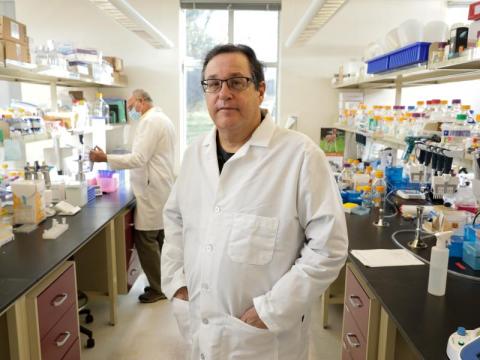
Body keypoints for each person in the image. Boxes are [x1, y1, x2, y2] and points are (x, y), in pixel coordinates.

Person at [161, 44, 348, 359]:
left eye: (236, 82)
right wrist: (177, 285)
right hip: (201, 325)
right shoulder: (195, 154)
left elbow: (329, 248)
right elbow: (176, 221)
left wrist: (271, 311)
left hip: (262, 338)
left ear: (260, 90)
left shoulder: (300, 156)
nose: (224, 93)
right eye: (213, 83)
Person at [90, 89, 175, 303]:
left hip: (152, 189)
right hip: (160, 187)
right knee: (160, 239)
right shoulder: (162, 119)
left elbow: (138, 158)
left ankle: (158, 289)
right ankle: (166, 283)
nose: (129, 112)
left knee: (146, 240)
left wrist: (105, 158)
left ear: (141, 102)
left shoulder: (150, 122)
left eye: (130, 107)